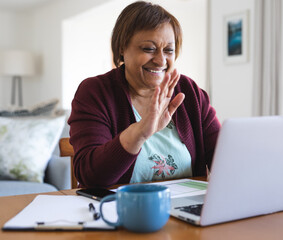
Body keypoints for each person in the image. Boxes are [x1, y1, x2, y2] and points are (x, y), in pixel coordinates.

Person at [68, 1, 221, 188]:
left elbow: (225, 159)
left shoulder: (189, 92)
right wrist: (139, 132)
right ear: (122, 48)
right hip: (121, 211)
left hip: (185, 210)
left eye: (168, 50)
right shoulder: (95, 92)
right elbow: (90, 178)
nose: (160, 60)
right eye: (149, 49)